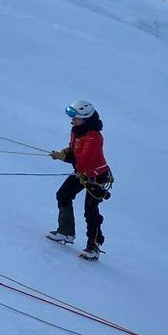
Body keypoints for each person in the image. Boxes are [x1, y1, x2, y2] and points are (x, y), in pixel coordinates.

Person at [47, 100, 113, 260]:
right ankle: (66, 232)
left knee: (90, 211)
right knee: (63, 195)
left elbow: (84, 160)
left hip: (97, 176)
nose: (72, 120)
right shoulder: (77, 130)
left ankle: (94, 246)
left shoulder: (94, 136)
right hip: (82, 173)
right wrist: (65, 152)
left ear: (85, 118)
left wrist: (64, 157)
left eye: (74, 117)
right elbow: (74, 149)